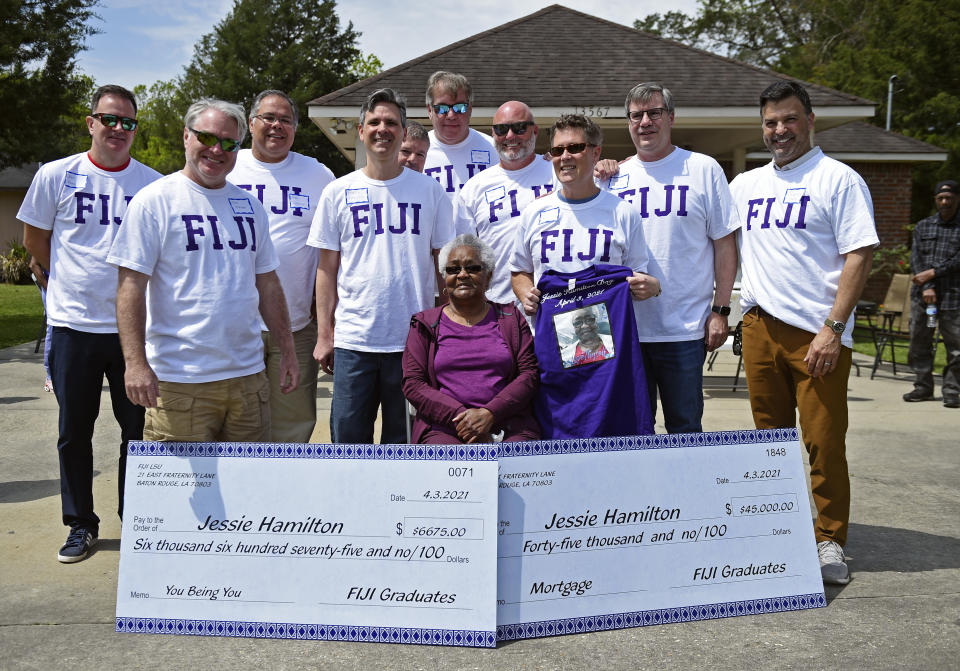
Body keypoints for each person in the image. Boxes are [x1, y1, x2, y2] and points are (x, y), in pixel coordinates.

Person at [730, 80, 878, 585]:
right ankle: (778, 532)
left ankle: (829, 540)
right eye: (771, 122)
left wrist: (833, 329)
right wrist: (612, 174)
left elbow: (860, 253)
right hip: (759, 327)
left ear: (810, 119)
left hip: (818, 333)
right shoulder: (745, 186)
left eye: (789, 119)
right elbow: (692, 222)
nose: (779, 130)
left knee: (822, 441)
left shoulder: (838, 180)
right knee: (767, 441)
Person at [19, 84, 161, 563]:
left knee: (137, 430)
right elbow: (36, 239)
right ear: (91, 122)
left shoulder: (152, 184)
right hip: (74, 326)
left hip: (134, 333)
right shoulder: (56, 175)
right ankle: (81, 524)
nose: (118, 129)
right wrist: (67, 282)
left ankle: (138, 520)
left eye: (128, 122)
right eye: (109, 119)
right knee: (74, 430)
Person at [110, 98, 298, 444]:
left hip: (248, 381)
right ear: (186, 136)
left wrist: (287, 350)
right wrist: (135, 364)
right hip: (181, 384)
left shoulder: (250, 207)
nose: (217, 149)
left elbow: (268, 284)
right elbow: (130, 287)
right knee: (178, 496)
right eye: (207, 138)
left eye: (229, 143)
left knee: (246, 491)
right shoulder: (154, 201)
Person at [309, 88, 454, 444]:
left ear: (404, 132)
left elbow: (444, 267)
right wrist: (325, 334)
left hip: (413, 343)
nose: (382, 129)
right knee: (347, 442)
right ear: (361, 131)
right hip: (355, 340)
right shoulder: (338, 191)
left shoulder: (430, 192)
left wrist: (447, 330)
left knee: (403, 443)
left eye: (391, 122)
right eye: (374, 122)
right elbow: (326, 269)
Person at [510, 114, 660, 438]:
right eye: (557, 150)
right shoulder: (534, 213)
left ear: (595, 152)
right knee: (555, 433)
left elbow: (641, 273)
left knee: (612, 432)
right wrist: (524, 291)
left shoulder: (622, 212)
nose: (564, 157)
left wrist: (648, 285)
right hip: (551, 345)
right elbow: (519, 271)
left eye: (575, 147)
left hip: (610, 352)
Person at [604, 82, 738, 434]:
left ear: (671, 118)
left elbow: (725, 245)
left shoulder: (703, 169)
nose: (645, 121)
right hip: (626, 330)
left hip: (684, 329)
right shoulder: (613, 178)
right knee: (633, 429)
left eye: (654, 113)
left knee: (685, 426)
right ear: (628, 122)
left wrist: (721, 311)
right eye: (636, 115)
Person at [227, 89, 336, 442]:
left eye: (285, 120)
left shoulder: (318, 175)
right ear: (251, 123)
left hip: (296, 325)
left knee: (291, 426)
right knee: (235, 422)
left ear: (296, 128)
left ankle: (283, 495)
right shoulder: (227, 166)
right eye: (268, 118)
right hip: (232, 325)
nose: (276, 126)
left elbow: (333, 252)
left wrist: (327, 325)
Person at [402, 234, 540, 443]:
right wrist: (463, 419)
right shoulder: (424, 324)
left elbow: (529, 375)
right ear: (444, 277)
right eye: (453, 269)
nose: (462, 275)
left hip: (508, 424)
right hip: (444, 427)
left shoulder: (511, 319)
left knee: (522, 465)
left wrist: (490, 413)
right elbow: (413, 384)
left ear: (489, 275)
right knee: (445, 465)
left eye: (473, 268)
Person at [453, 101, 556, 305]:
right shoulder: (474, 189)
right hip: (497, 306)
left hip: (556, 304)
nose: (510, 136)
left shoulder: (557, 174)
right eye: (501, 129)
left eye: (519, 128)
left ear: (534, 130)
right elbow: (465, 257)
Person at [903, 180, 960, 407]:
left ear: (957, 198)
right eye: (941, 198)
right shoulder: (923, 226)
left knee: (956, 347)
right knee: (919, 342)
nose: (945, 202)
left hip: (954, 298)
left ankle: (952, 391)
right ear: (935, 200)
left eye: (949, 197)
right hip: (923, 299)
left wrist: (933, 273)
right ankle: (922, 387)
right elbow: (915, 259)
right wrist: (926, 285)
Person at [423, 71, 496, 198]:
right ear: (430, 110)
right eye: (442, 108)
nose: (451, 115)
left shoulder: (493, 148)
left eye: (460, 107)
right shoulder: (414, 152)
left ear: (470, 109)